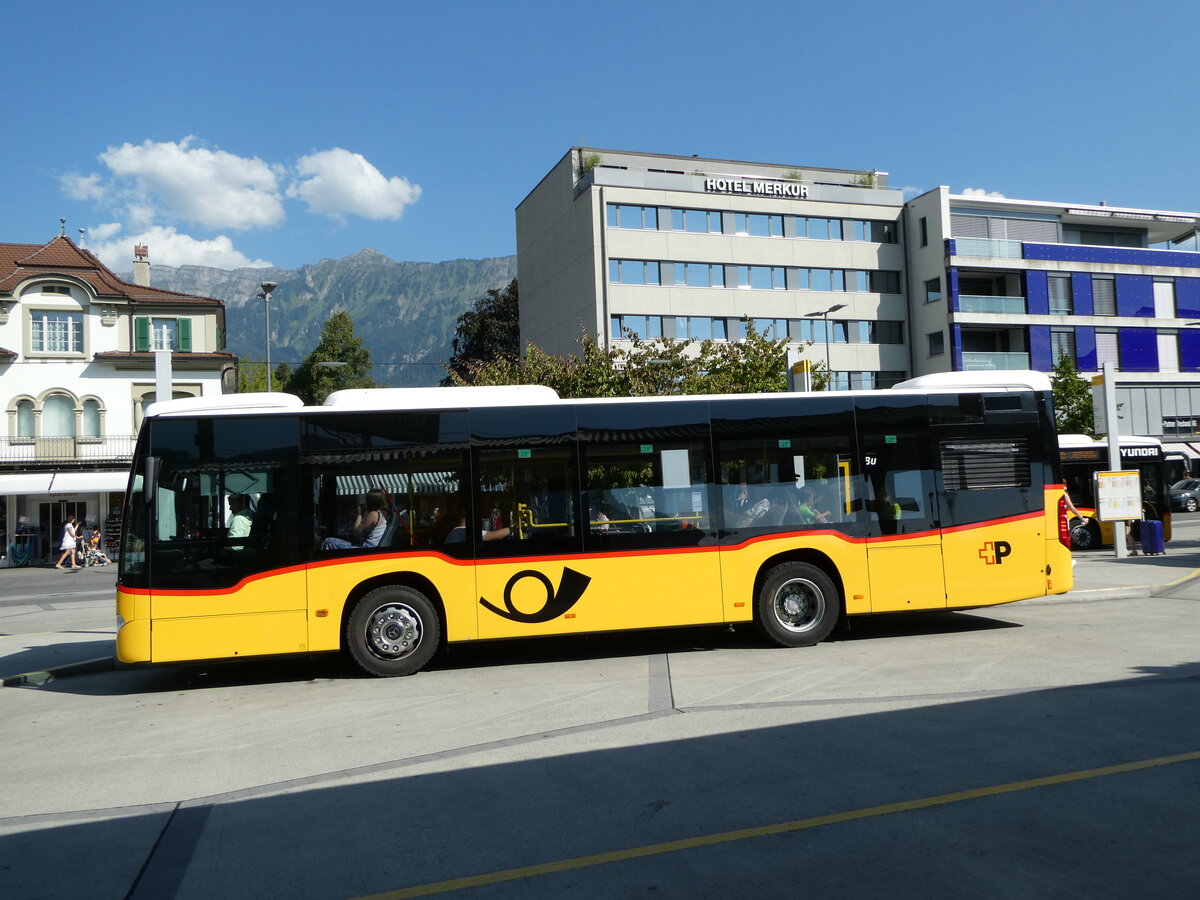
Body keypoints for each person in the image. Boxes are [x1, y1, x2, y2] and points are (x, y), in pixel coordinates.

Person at [322, 488, 388, 550]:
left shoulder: (373, 514)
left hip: (368, 547)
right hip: (373, 546)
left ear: (371, 501)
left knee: (328, 541)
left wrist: (359, 514)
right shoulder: (381, 513)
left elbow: (356, 532)